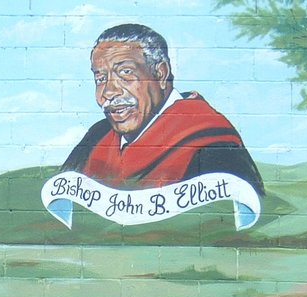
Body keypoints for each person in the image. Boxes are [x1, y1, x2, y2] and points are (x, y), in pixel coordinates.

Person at [62, 23, 264, 195]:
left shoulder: (211, 142)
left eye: (125, 72)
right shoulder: (97, 136)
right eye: (100, 79)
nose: (108, 92)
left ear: (160, 74)